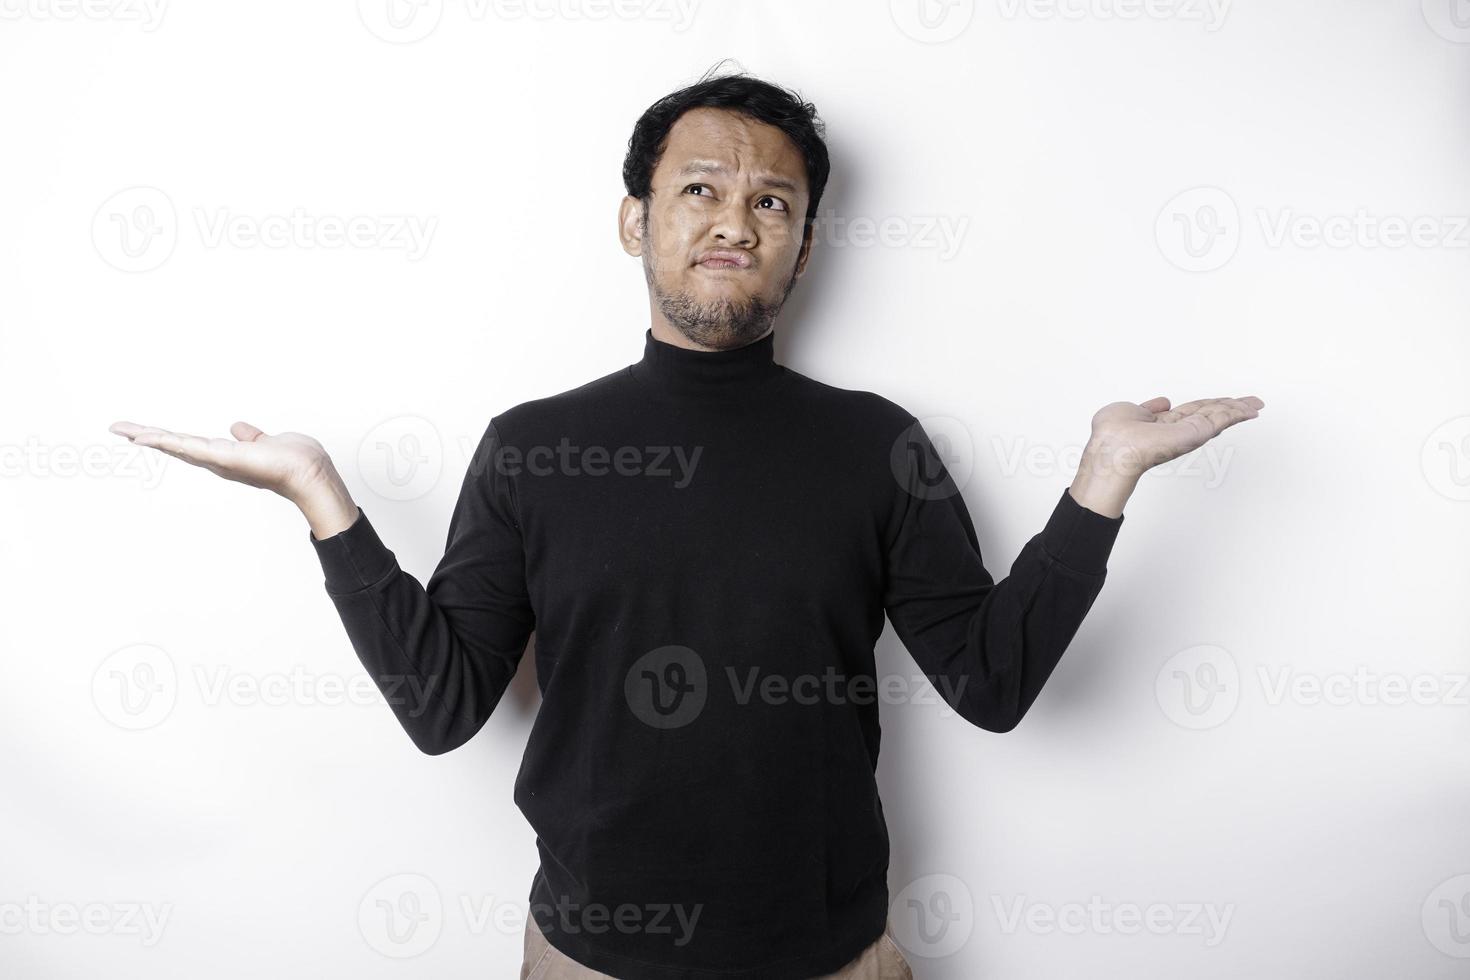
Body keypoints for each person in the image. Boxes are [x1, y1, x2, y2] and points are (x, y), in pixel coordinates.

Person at [109, 65, 1264, 979]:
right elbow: (443, 705)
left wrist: (1103, 479)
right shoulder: (534, 445)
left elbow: (991, 682)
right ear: (635, 219)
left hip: (835, 956)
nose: (735, 222)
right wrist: (323, 498)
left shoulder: (877, 443)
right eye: (699, 188)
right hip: (587, 959)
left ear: (804, 247)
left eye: (772, 201)